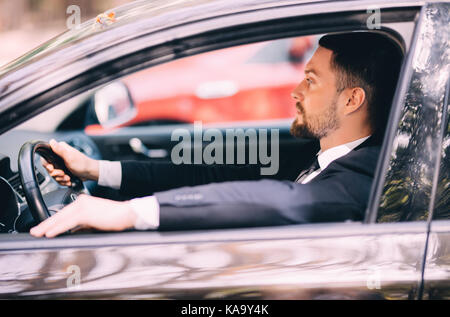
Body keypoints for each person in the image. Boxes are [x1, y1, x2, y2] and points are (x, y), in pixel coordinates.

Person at [30, 32, 403, 238]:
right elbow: (207, 174)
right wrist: (97, 170)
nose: (296, 92)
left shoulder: (367, 174)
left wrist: (127, 215)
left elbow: (286, 201)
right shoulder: (317, 150)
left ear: (352, 99)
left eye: (311, 80)